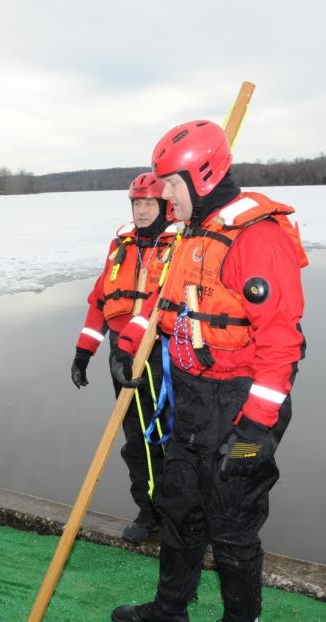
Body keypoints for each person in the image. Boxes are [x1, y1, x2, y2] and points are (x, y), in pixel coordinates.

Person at [110, 120, 306, 622]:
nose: (163, 195)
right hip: (192, 403)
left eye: (171, 184)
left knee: (232, 521)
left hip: (242, 410)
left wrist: (256, 429)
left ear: (202, 175)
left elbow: (281, 343)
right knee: (179, 508)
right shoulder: (188, 235)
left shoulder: (257, 239)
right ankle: (170, 609)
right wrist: (128, 344)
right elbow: (160, 305)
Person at [71, 173, 178, 543]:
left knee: (166, 435)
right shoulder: (121, 245)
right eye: (137, 204)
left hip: (160, 349)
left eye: (150, 203)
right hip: (122, 350)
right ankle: (148, 511)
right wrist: (84, 352)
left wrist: (128, 347)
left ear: (166, 205)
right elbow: (101, 300)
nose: (143, 210)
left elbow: (163, 301)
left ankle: (178, 513)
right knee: (135, 437)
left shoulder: (180, 244)